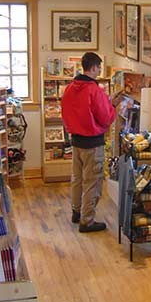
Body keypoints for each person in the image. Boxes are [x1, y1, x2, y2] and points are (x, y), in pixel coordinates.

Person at [61, 52, 116, 233]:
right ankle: (87, 221)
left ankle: (76, 212)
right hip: (93, 143)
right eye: (99, 67)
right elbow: (106, 118)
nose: (99, 71)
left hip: (76, 141)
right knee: (93, 182)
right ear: (93, 67)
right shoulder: (94, 90)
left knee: (77, 179)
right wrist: (113, 106)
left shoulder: (70, 88)